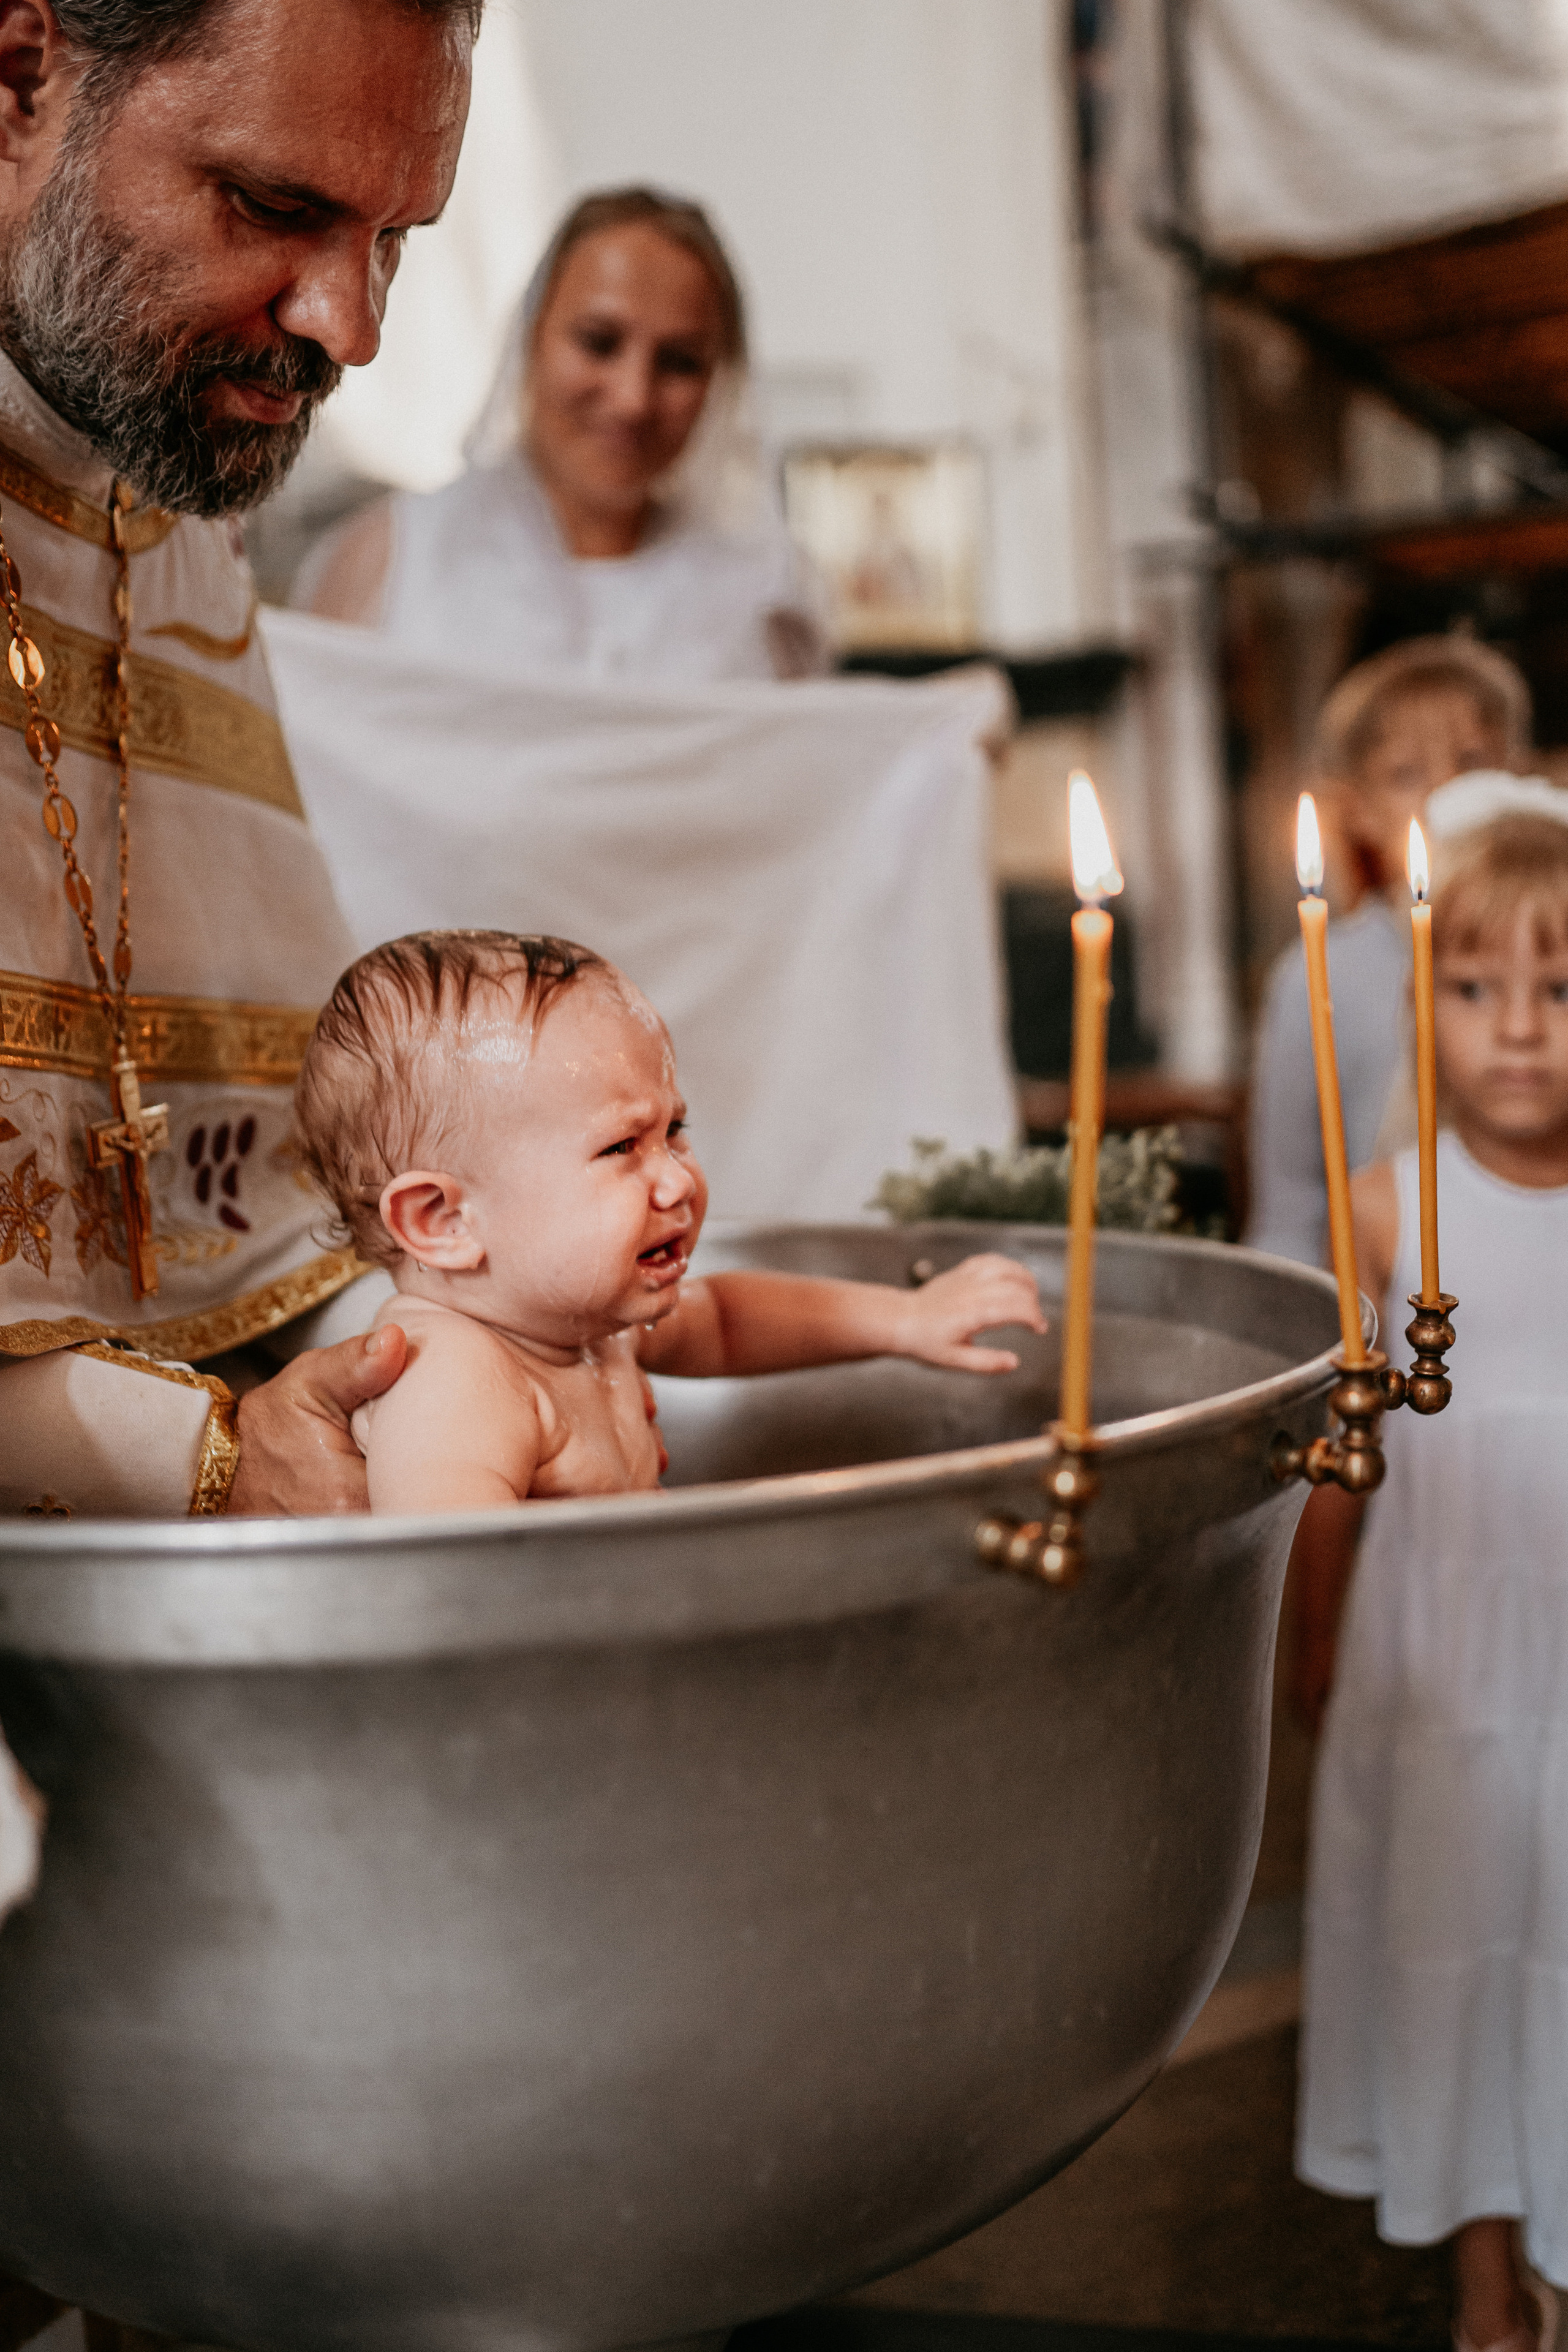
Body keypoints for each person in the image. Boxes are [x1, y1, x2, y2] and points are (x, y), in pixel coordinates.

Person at [0, 0, 486, 1518]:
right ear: (23, 81)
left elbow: (263, 1241)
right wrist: (218, 1455)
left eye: (396, 238)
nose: (351, 324)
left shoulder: (167, 491)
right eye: (276, 207)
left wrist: (458, 1364)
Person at [294, 930, 1046, 1512]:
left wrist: (904, 1319)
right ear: (443, 1220)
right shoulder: (455, 1381)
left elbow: (724, 1320)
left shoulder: (582, 1321)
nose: (678, 1178)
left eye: (673, 1132)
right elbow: (450, 1596)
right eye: (622, 1146)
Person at [1292, 789, 1568, 2348]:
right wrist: (1312, 1643)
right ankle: (1481, 2280)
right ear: (1420, 1000)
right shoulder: (1392, 1213)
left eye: (1554, 986)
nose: (1516, 1029)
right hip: (1446, 1649)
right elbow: (1346, 1457)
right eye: (1472, 987)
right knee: (1461, 1933)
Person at [301, 186, 832, 682]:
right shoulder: (390, 559)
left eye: (680, 363)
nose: (633, 399)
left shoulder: (765, 599)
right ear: (532, 339)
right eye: (599, 343)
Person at [1246, 635, 1529, 1266]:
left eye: (1473, 762)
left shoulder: (1551, 955)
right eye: (1407, 774)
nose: (1446, 794)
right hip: (1384, 1303)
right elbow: (1292, 1205)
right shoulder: (1318, 975)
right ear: (1358, 812)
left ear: (1518, 776)